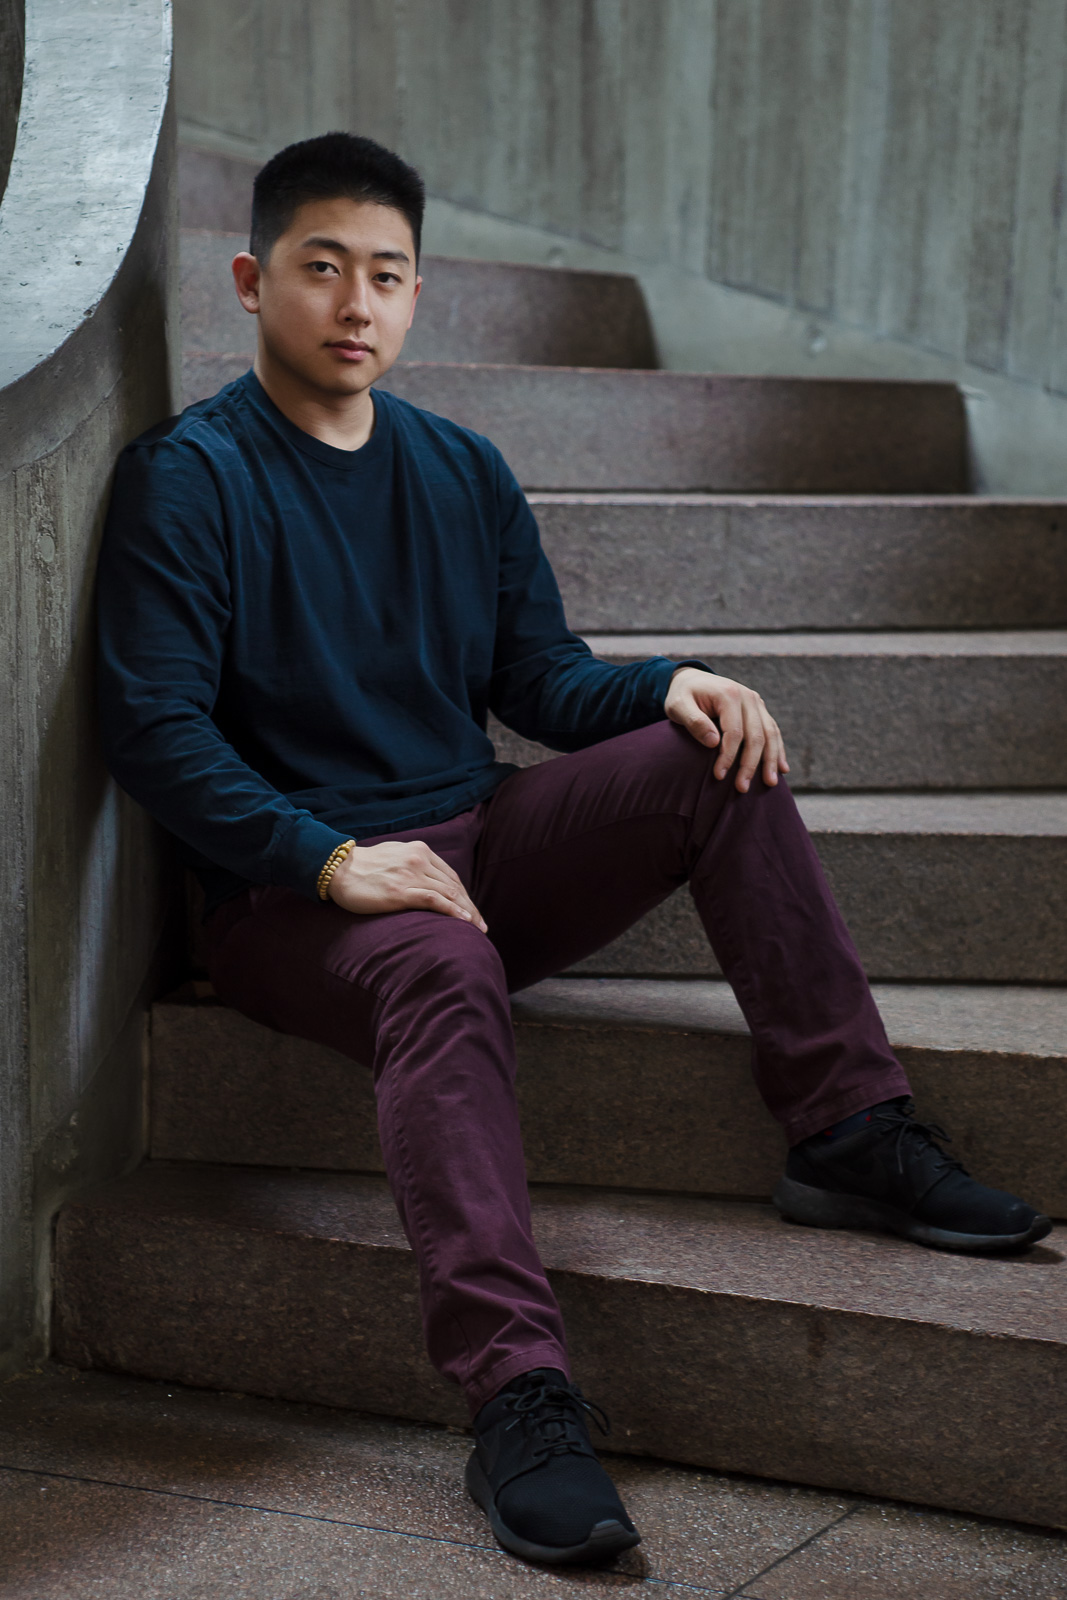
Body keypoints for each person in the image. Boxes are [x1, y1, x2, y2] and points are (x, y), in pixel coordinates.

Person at [96, 132, 1052, 1569]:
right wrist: (328, 858)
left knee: (714, 758)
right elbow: (153, 727)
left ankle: (848, 1128)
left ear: (419, 297)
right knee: (434, 966)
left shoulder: (460, 470)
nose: (358, 302)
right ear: (249, 281)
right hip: (294, 899)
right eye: (322, 268)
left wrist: (669, 680)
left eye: (388, 275)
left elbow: (540, 678)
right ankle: (518, 1400)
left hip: (474, 843)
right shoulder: (190, 478)